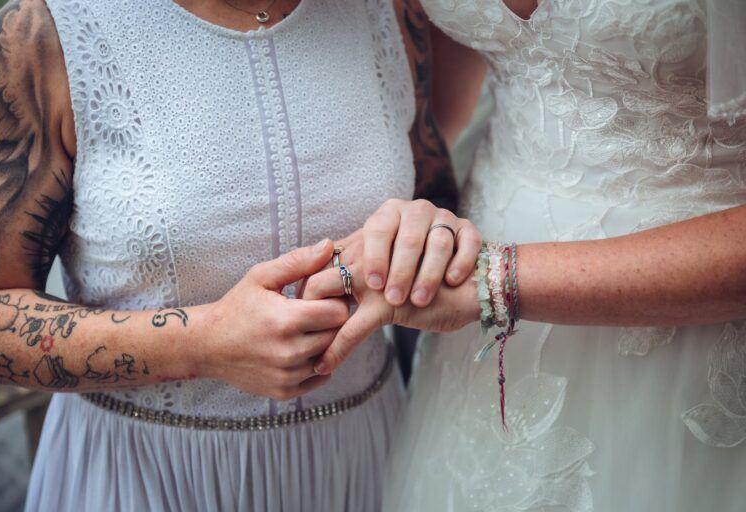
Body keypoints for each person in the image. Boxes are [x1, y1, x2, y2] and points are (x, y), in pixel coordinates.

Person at [0, 0, 479, 510]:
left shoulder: (387, 12)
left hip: (366, 463)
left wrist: (426, 234)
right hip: (146, 474)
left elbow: (432, 195)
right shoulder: (45, 34)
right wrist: (203, 343)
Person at [304, 1, 746, 511]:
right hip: (474, 337)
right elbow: (436, 104)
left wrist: (494, 281)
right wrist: (410, 239)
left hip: (693, 332)